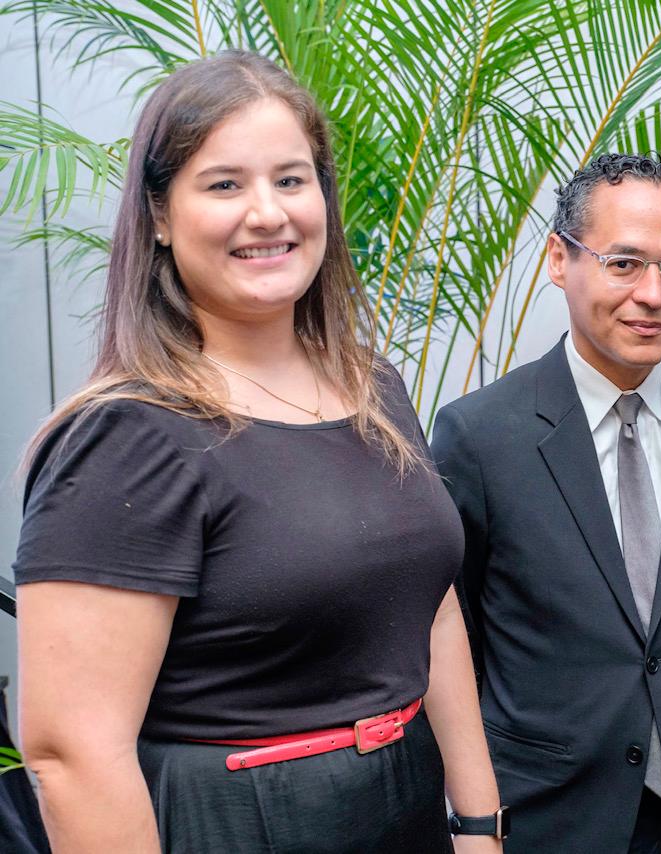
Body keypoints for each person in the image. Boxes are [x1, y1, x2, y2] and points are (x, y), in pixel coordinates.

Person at [14, 51, 504, 853]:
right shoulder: (128, 436)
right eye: (224, 184)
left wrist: (477, 820)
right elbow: (73, 756)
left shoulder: (373, 389)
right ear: (161, 217)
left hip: (405, 809)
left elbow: (430, 606)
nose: (267, 213)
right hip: (233, 827)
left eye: (290, 179)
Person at [431, 152, 661, 853]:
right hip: (545, 811)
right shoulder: (480, 436)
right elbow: (453, 639)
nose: (653, 293)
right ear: (560, 259)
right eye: (624, 264)